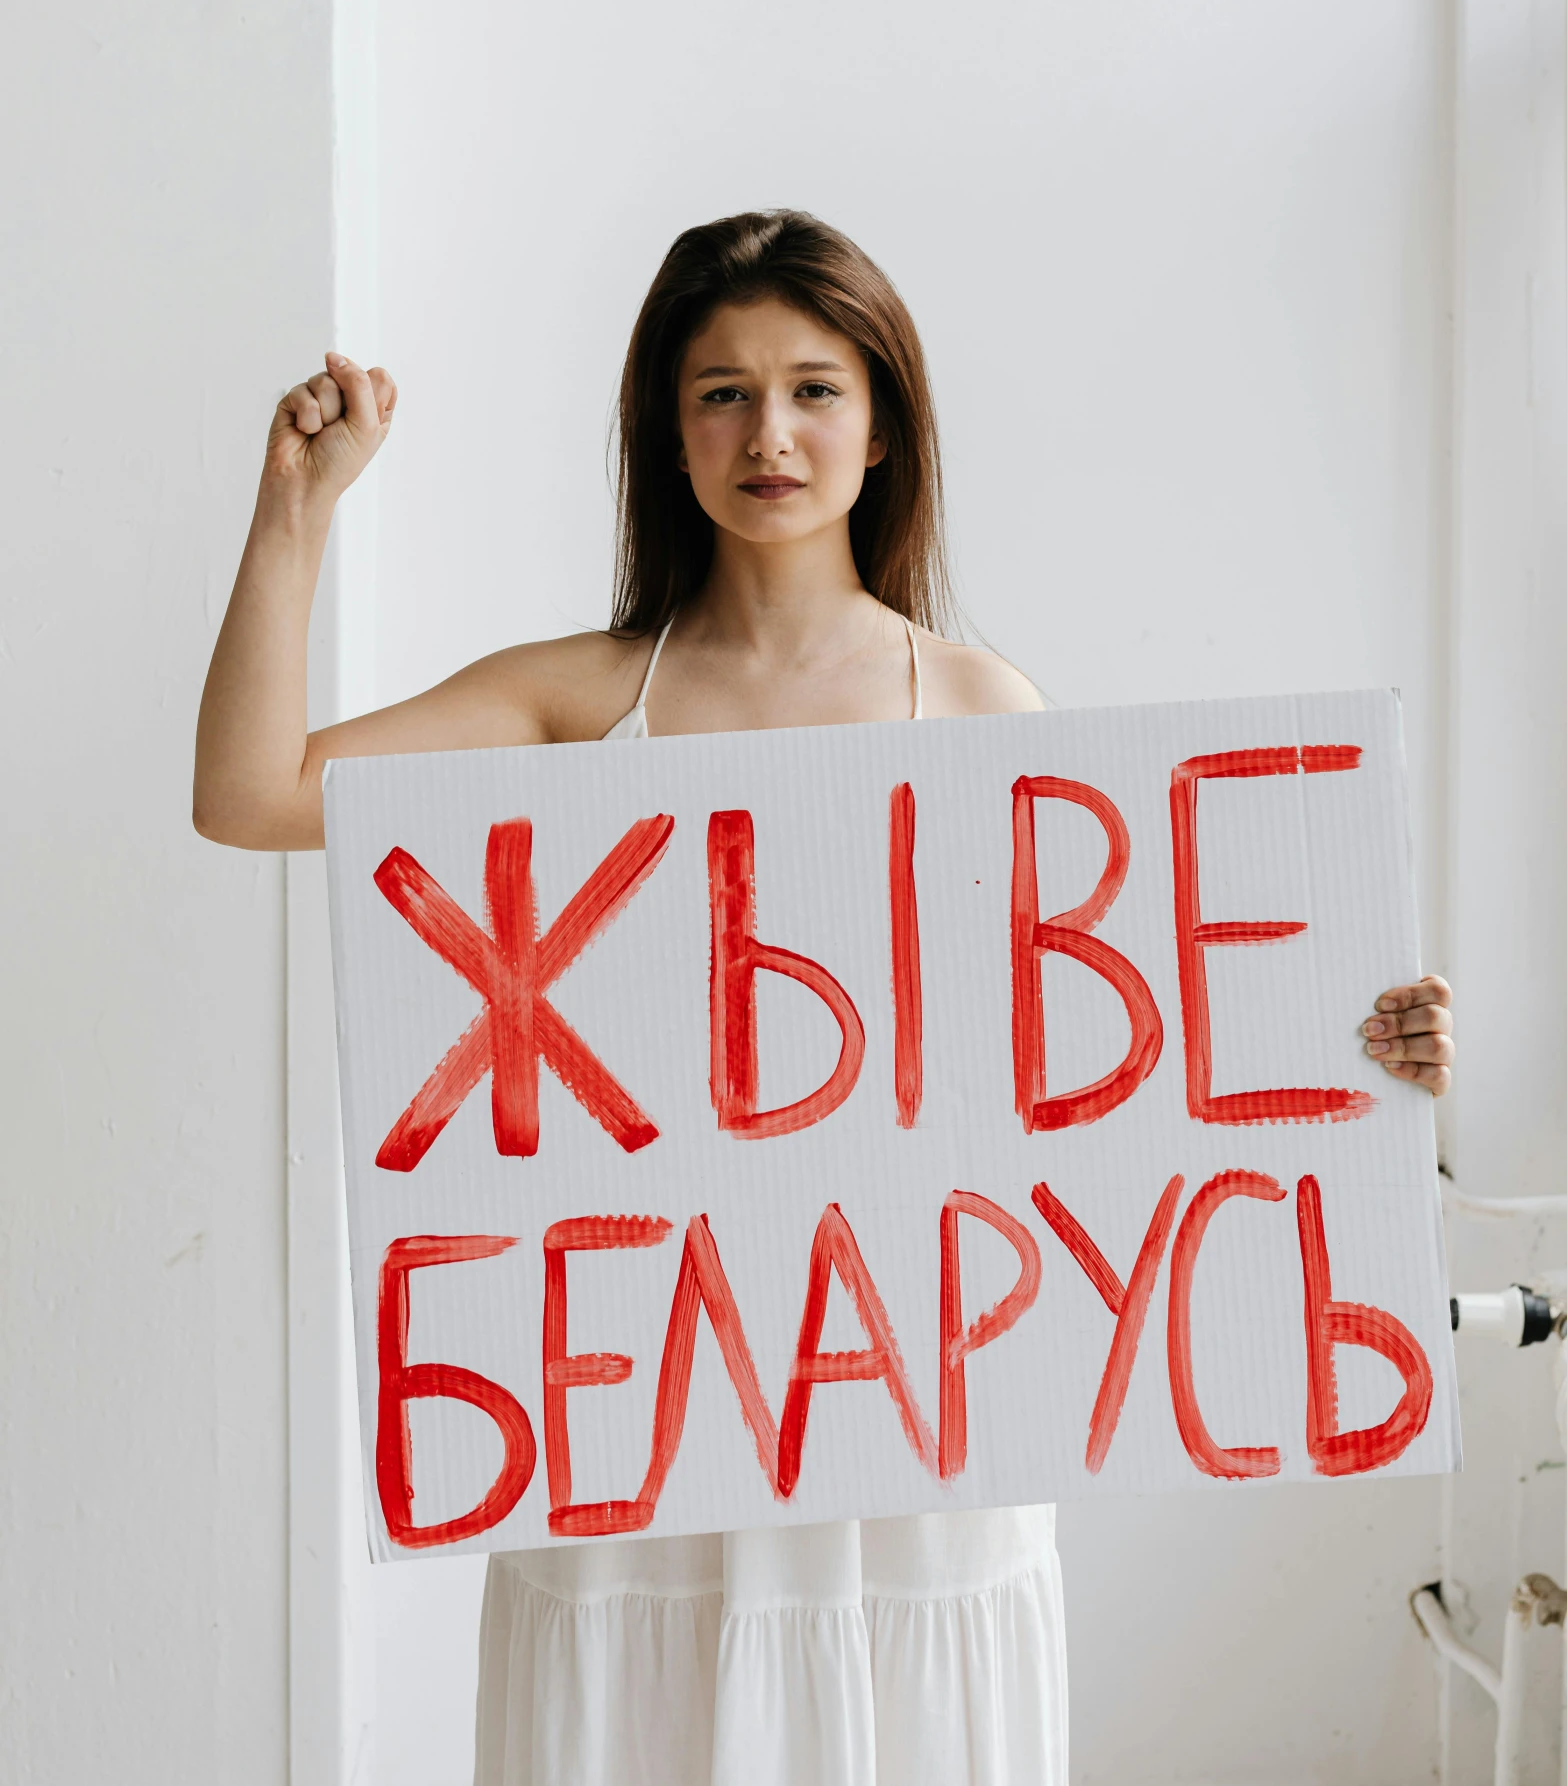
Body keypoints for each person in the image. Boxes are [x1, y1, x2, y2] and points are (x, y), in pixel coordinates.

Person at [194, 209, 1455, 1786]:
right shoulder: (572, 703)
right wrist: (294, 514)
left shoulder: (982, 707)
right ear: (667, 431)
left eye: (812, 388)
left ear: (881, 427)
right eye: (719, 391)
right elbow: (249, 792)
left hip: (910, 1442)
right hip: (644, 1442)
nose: (767, 432)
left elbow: (1108, 1050)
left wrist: (1353, 1036)